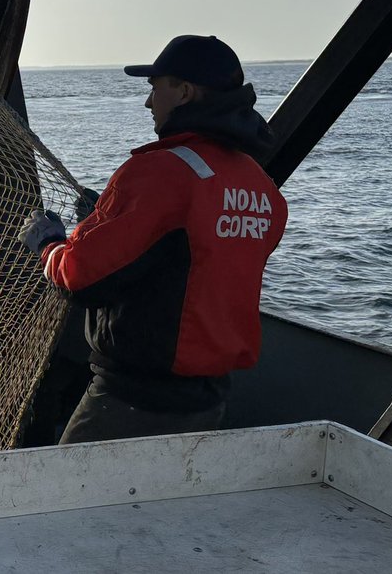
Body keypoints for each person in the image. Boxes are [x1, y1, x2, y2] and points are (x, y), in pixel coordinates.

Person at [20, 35, 287, 444]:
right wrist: (102, 221)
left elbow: (81, 277)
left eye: (154, 88)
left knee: (66, 502)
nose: (148, 103)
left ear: (184, 92)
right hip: (207, 399)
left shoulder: (161, 172)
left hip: (132, 401)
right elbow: (187, 260)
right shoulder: (259, 185)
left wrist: (49, 244)